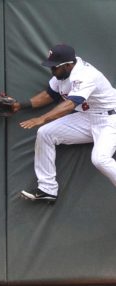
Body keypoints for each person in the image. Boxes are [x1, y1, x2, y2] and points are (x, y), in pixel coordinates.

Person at [13, 44, 116, 204]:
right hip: (88, 117)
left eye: (55, 67)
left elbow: (70, 104)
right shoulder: (61, 74)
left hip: (110, 120)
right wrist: (20, 105)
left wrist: (42, 118)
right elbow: (49, 95)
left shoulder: (86, 75)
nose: (52, 71)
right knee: (45, 133)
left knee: (100, 159)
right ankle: (47, 189)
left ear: (68, 65)